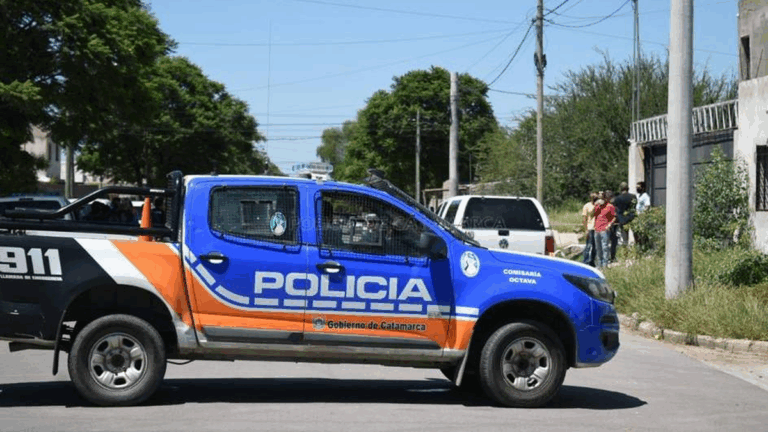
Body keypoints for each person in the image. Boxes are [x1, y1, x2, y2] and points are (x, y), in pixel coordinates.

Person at [593, 191, 616, 269]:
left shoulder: (610, 206)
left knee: (605, 247)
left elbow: (614, 217)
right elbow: (592, 214)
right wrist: (595, 206)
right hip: (597, 229)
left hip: (604, 229)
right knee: (598, 247)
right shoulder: (597, 206)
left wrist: (609, 224)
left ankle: (605, 264)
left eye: (602, 198)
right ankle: (599, 263)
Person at [612, 182, 637, 248]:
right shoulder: (633, 196)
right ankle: (636, 250)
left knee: (624, 238)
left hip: (622, 219)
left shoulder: (617, 198)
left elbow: (615, 208)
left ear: (620, 189)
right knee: (636, 236)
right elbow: (635, 206)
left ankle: (625, 252)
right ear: (627, 188)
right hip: (632, 218)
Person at [581, 192, 598, 266]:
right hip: (590, 227)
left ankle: (592, 261)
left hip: (597, 228)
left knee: (595, 246)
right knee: (589, 245)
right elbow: (584, 219)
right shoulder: (587, 206)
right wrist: (586, 230)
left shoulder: (599, 205)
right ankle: (585, 261)